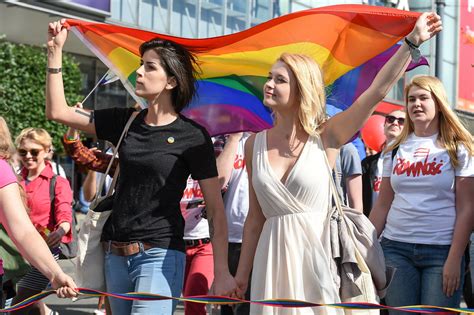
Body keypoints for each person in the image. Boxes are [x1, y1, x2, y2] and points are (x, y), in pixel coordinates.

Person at [232, 13, 442, 315]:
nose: (268, 84)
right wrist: (241, 276)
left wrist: (411, 43)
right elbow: (255, 219)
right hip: (271, 262)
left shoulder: (327, 135)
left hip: (318, 260)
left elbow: (375, 93)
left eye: (279, 79)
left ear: (300, 88)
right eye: (269, 77)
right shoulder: (254, 144)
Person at [46, 19, 235, 314]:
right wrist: (55, 52)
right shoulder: (126, 120)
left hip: (160, 255)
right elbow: (57, 111)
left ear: (171, 81)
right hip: (114, 254)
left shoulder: (193, 136)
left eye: (149, 66)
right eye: (140, 64)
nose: (139, 71)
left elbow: (215, 209)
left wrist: (221, 271)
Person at [369, 75, 473, 314]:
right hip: (395, 249)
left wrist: (455, 258)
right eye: (411, 99)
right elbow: (383, 204)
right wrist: (366, 247)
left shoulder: (458, 148)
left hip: (442, 251)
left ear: (438, 103)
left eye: (423, 98)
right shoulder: (394, 150)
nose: (416, 104)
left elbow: (467, 208)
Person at [0, 116, 77, 307]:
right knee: (29, 303)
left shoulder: (57, 182)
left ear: (47, 152)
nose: (28, 156)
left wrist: (60, 232)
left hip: (42, 249)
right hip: (15, 251)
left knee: (25, 301)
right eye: (23, 151)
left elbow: (64, 213)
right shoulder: (16, 178)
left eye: (34, 151)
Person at [217, 132, 252, 315]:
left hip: (261, 237)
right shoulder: (228, 140)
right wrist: (233, 139)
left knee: (250, 306)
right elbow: (218, 182)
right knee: (228, 305)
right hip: (231, 238)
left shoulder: (271, 139)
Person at [361, 110, 406, 216]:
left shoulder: (410, 162)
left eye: (401, 121)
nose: (395, 123)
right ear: (384, 126)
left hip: (398, 225)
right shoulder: (368, 163)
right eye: (390, 119)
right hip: (372, 224)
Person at [333, 142, 363, 212]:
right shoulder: (308, 148)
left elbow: (356, 206)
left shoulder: (347, 150)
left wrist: (356, 222)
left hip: (334, 218)